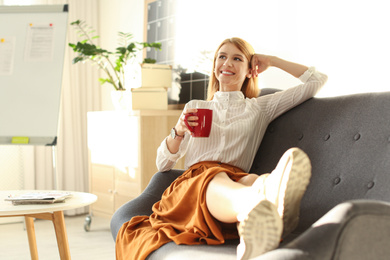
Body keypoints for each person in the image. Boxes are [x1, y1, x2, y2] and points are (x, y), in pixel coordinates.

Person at [115, 37, 328, 260]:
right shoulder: (195, 107)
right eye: (222, 57)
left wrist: (272, 61)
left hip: (233, 181)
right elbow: (163, 164)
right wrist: (178, 130)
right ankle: (271, 202)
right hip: (193, 187)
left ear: (250, 70)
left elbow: (317, 81)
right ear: (215, 66)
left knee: (251, 179)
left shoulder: (260, 108)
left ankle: (259, 214)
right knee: (220, 179)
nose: (227, 63)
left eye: (237, 59)